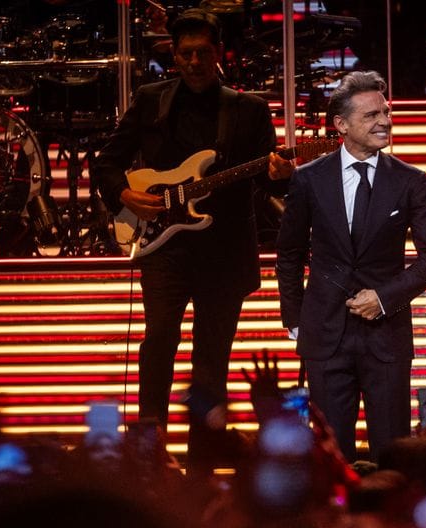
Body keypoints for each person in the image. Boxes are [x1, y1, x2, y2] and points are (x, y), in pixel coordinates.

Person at [91, 8, 293, 472]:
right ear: (174, 57)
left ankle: (201, 467)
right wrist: (125, 195)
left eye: (203, 52)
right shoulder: (151, 100)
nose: (195, 61)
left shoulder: (247, 108)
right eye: (186, 54)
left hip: (223, 256)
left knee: (211, 362)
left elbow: (269, 184)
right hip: (166, 248)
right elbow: (105, 163)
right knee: (158, 342)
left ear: (218, 53)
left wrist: (282, 174)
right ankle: (148, 457)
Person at [275, 70, 426, 463]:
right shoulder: (308, 179)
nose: (384, 121)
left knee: (392, 453)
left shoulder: (410, 181)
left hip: (385, 337)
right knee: (331, 455)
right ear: (341, 124)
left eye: (386, 112)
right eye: (371, 115)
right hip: (324, 335)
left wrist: (384, 298)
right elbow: (288, 254)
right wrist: (295, 319)